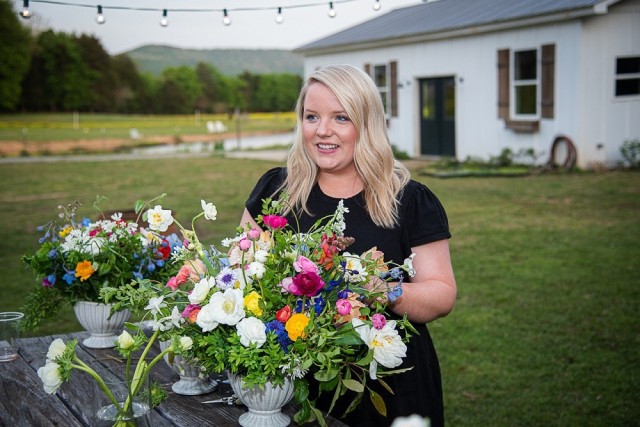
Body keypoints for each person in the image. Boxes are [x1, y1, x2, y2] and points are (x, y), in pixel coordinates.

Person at [240, 64, 457, 427]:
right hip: (292, 384)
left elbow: (442, 294)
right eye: (312, 116)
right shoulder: (277, 190)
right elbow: (242, 268)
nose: (322, 131)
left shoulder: (409, 200)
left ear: (367, 124)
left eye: (341, 118)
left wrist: (384, 290)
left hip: (386, 384)